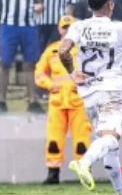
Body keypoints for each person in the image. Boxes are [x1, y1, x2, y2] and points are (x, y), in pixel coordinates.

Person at [58, 0, 122, 195]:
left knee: (108, 145)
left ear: (89, 6)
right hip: (111, 90)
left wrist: (72, 73)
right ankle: (83, 163)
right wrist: (121, 57)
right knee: (112, 138)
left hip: (88, 93)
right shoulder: (119, 28)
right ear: (110, 5)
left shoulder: (79, 26)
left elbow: (63, 50)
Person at [34, 15, 91, 185]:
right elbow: (39, 73)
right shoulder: (51, 50)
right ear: (59, 29)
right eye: (64, 27)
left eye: (70, 27)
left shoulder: (84, 49)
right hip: (57, 101)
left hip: (78, 101)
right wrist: (50, 85)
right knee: (54, 139)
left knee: (82, 139)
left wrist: (84, 84)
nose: (66, 30)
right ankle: (53, 173)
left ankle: (85, 173)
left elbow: (94, 72)